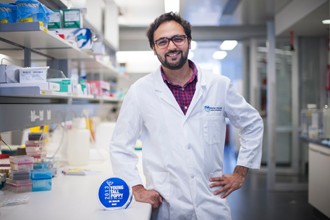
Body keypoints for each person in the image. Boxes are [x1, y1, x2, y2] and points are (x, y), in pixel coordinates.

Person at [110, 12, 264, 220]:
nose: (171, 47)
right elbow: (120, 145)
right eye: (162, 42)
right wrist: (136, 187)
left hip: (212, 203)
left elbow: (252, 124)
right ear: (154, 49)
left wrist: (240, 172)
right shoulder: (140, 91)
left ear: (189, 42)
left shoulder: (218, 85)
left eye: (178, 39)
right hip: (166, 206)